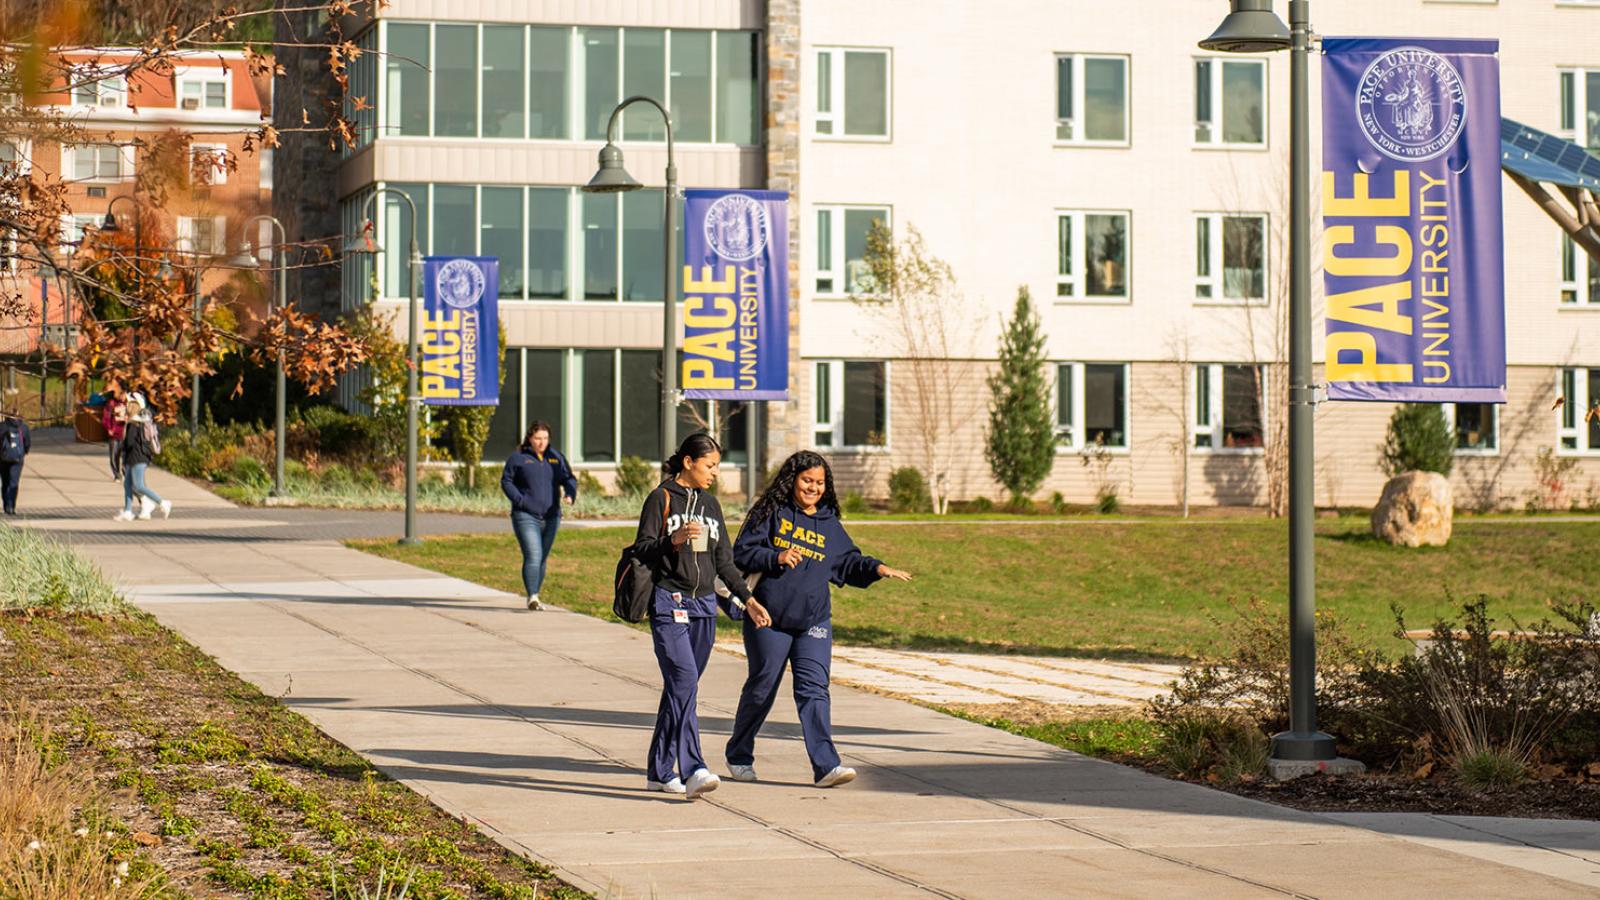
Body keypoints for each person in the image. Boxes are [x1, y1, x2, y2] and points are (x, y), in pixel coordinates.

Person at [728, 451, 911, 788]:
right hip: (769, 618)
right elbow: (741, 552)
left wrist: (877, 568)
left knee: (814, 689)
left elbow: (847, 561)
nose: (813, 487)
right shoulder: (770, 513)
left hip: (814, 621)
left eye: (819, 483)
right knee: (762, 687)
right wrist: (776, 556)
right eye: (806, 480)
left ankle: (826, 766)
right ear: (792, 480)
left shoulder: (828, 522)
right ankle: (739, 753)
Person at [632, 433, 770, 799]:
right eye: (709, 466)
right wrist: (672, 541)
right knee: (685, 680)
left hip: (704, 607)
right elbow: (642, 548)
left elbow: (724, 560)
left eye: (717, 467)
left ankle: (659, 771)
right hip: (668, 602)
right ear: (689, 462)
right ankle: (693, 767)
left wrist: (748, 600)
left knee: (681, 689)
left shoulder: (710, 505)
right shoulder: (659, 499)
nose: (714, 473)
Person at [499, 421, 577, 610]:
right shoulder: (518, 457)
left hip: (551, 516)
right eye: (537, 438)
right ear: (530, 439)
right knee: (533, 554)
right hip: (525, 514)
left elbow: (569, 478)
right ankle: (532, 596)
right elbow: (506, 480)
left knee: (542, 557)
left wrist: (569, 493)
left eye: (545, 438)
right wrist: (519, 500)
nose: (541, 442)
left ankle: (536, 594)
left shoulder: (556, 457)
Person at [116, 396, 171, 522]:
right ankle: (128, 511)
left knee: (139, 485)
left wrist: (121, 444)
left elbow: (129, 443)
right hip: (134, 458)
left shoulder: (133, 424)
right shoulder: (139, 423)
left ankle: (162, 502)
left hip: (137, 458)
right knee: (128, 485)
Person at [0, 409, 31, 516]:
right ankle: (11, 505)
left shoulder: (2, 426)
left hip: (3, 459)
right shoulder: (23, 427)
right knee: (14, 482)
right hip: (18, 459)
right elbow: (27, 443)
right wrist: (24, 452)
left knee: (5, 482)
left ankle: (5, 505)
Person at [101, 391, 126, 480]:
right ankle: (117, 474)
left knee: (125, 454)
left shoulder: (128, 403)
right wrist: (108, 428)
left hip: (125, 433)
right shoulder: (111, 404)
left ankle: (125, 472)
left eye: (124, 394)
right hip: (114, 433)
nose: (123, 396)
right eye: (121, 394)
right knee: (114, 455)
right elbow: (106, 418)